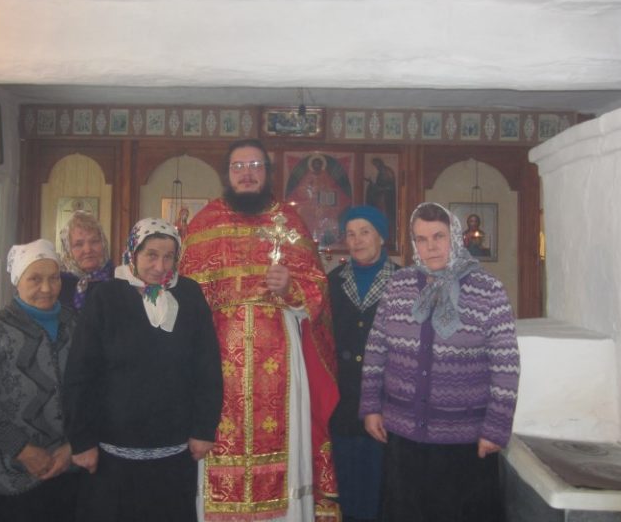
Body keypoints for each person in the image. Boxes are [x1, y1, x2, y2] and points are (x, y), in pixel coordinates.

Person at [179, 138, 341, 521]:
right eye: (238, 167)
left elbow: (318, 291)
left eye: (255, 166)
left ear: (268, 173)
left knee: (286, 448)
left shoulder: (290, 222)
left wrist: (291, 288)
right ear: (227, 174)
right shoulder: (204, 223)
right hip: (217, 363)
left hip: (281, 364)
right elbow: (185, 300)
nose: (247, 174)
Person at [360, 202, 520, 522]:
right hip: (404, 436)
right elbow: (376, 350)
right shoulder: (398, 287)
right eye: (421, 239)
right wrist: (370, 406)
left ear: (455, 237)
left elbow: (506, 366)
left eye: (438, 236)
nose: (430, 247)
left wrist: (496, 428)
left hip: (464, 442)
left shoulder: (488, 291)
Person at [63, 217, 223, 522]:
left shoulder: (189, 294)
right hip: (113, 452)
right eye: (151, 255)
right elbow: (81, 373)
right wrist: (82, 440)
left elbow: (207, 367)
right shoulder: (105, 297)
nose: (160, 266)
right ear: (133, 253)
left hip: (174, 451)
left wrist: (204, 429)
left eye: (168, 257)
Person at [0, 239, 79, 522]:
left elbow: (90, 391)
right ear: (17, 281)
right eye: (35, 279)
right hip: (8, 479)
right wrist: (24, 451)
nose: (47, 288)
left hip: (67, 469)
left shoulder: (74, 323)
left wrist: (72, 446)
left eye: (54, 278)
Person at [327, 206, 399, 522]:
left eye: (365, 232)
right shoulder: (332, 281)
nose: (356, 240)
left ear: (381, 237)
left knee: (383, 487)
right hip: (343, 402)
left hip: (388, 401)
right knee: (347, 487)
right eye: (351, 234)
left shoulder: (405, 282)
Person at [58, 211, 114, 310]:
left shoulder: (118, 279)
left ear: (103, 244)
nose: (88, 250)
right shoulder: (59, 284)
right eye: (79, 244)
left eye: (94, 242)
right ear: (68, 250)